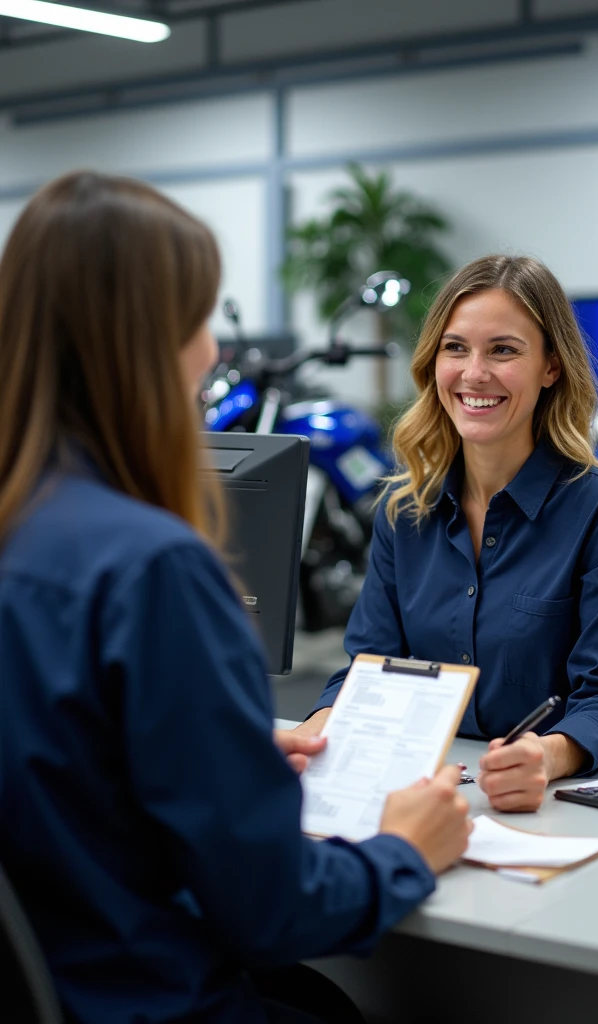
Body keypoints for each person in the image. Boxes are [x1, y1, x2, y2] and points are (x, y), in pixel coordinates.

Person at [0, 171, 473, 1024]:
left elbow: (55, 756)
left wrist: (216, 741)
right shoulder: (153, 567)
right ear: (142, 343)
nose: (213, 353)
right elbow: (274, 907)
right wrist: (406, 848)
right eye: (198, 321)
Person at [297, 254, 598, 812]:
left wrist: (545, 755)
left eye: (503, 350)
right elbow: (370, 670)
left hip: (588, 796)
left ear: (551, 367)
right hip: (455, 789)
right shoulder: (404, 511)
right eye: (455, 348)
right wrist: (318, 730)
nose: (474, 373)